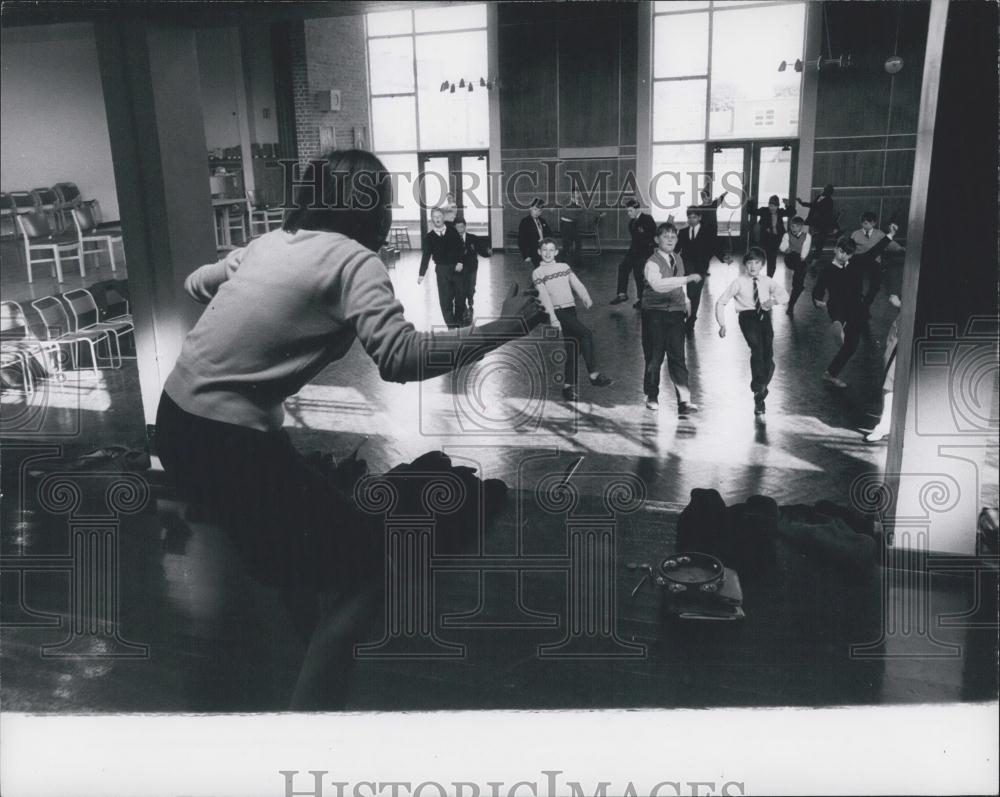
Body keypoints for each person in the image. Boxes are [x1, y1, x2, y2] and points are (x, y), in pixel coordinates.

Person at [155, 149, 544, 701]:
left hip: (175, 423)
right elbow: (401, 358)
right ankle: (312, 719)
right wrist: (505, 326)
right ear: (371, 211)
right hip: (231, 440)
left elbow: (197, 283)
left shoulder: (268, 243)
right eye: (385, 201)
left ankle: (318, 655)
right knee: (370, 568)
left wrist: (250, 291)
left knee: (300, 548)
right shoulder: (355, 263)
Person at [812, 223, 899, 388]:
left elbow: (874, 251)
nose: (844, 256)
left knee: (851, 346)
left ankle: (830, 374)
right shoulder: (827, 270)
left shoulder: (856, 263)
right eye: (842, 252)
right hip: (836, 306)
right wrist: (817, 300)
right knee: (838, 314)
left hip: (855, 308)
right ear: (836, 249)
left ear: (852, 254)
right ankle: (838, 326)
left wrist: (890, 235)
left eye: (848, 254)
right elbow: (818, 289)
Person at [532, 238, 613, 402]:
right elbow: (544, 296)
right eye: (544, 250)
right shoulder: (537, 273)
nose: (548, 253)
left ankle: (568, 387)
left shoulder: (564, 267)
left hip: (571, 309)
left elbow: (576, 283)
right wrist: (553, 318)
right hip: (558, 311)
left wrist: (585, 296)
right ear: (539, 252)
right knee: (586, 334)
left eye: (551, 250)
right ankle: (593, 374)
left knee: (573, 349)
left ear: (556, 252)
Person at [715, 247, 789, 416]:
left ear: (762, 264)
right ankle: (758, 390)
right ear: (745, 265)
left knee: (768, 356)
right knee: (756, 348)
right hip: (747, 317)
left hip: (764, 315)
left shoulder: (767, 281)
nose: (753, 266)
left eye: (756, 262)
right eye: (749, 263)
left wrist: (773, 301)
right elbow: (721, 302)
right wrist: (722, 324)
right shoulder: (739, 282)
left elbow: (785, 295)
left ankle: (761, 391)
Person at [640, 222, 703, 415]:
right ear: (656, 240)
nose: (670, 239)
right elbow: (659, 285)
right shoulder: (651, 262)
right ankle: (652, 396)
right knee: (654, 358)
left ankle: (684, 401)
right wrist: (687, 280)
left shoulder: (678, 259)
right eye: (665, 236)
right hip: (655, 313)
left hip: (675, 313)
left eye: (673, 236)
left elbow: (678, 283)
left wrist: (686, 299)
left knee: (678, 357)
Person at [418, 207, 466, 328]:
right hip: (441, 270)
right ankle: (451, 326)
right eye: (435, 217)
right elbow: (426, 256)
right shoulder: (429, 237)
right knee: (445, 300)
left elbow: (461, 247)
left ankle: (459, 322)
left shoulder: (452, 231)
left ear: (443, 218)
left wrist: (460, 261)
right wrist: (421, 274)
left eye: (439, 216)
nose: (437, 219)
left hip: (456, 267)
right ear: (432, 219)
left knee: (460, 297)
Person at [866, 294, 903, 442]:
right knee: (890, 381)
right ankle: (885, 425)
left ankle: (888, 425)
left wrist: (900, 304)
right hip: (901, 330)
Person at [850, 211, 905, 310]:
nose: (864, 225)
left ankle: (866, 303)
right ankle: (857, 300)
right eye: (863, 223)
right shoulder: (855, 234)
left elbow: (890, 243)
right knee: (856, 283)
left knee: (876, 285)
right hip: (859, 261)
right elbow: (850, 247)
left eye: (867, 223)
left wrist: (900, 248)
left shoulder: (879, 234)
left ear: (874, 223)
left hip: (874, 262)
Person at [676, 206, 716, 336]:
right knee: (692, 291)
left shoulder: (707, 231)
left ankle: (691, 318)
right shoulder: (682, 232)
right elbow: (677, 249)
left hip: (700, 267)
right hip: (687, 266)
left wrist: (723, 258)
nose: (691, 220)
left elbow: (714, 247)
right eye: (689, 217)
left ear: (699, 218)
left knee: (694, 293)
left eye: (694, 217)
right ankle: (690, 316)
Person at [611, 198, 657, 307]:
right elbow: (635, 240)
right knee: (623, 267)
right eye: (627, 211)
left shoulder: (647, 219)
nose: (628, 213)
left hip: (645, 252)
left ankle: (642, 300)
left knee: (638, 274)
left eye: (630, 211)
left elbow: (654, 235)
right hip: (634, 252)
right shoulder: (632, 223)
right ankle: (622, 294)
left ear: (637, 209)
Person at [454, 217, 491, 325]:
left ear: (465, 227)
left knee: (470, 286)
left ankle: (470, 297)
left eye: (462, 226)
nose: (460, 229)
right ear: (455, 228)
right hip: (459, 269)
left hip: (471, 267)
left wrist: (487, 253)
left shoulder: (473, 238)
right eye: (457, 227)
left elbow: (481, 249)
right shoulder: (452, 239)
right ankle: (463, 306)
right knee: (460, 288)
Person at [779, 215, 812, 315]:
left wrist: (802, 257)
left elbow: (806, 248)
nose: (794, 228)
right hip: (790, 258)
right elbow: (782, 246)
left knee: (800, 274)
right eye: (792, 226)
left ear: (801, 227)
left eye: (797, 226)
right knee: (800, 270)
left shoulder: (807, 236)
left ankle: (791, 304)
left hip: (801, 260)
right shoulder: (787, 235)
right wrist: (785, 249)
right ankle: (798, 285)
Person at [753, 195, 792, 278]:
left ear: (778, 206)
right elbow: (751, 211)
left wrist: (788, 204)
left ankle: (769, 277)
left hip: (777, 238)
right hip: (766, 238)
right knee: (760, 258)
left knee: (772, 260)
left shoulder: (780, 212)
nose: (772, 208)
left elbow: (792, 212)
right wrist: (750, 201)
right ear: (768, 205)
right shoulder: (764, 211)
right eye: (770, 206)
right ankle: (755, 276)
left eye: (775, 206)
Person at [796, 184, 837, 259]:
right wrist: (802, 203)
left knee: (819, 243)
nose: (822, 190)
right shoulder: (819, 197)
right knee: (815, 241)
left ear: (828, 192)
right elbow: (813, 206)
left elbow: (816, 207)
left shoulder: (829, 201)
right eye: (824, 188)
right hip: (815, 223)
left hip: (823, 225)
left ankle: (815, 259)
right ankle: (812, 257)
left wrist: (803, 204)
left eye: (825, 189)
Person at [518, 198, 551, 268]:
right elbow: (521, 240)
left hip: (544, 251)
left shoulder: (543, 221)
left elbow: (550, 235)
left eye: (539, 211)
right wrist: (526, 255)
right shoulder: (525, 222)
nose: (537, 213)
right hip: (533, 253)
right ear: (530, 208)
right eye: (535, 209)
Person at [559, 189, 583, 268]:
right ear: (571, 194)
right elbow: (569, 214)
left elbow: (583, 211)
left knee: (578, 243)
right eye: (575, 193)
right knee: (566, 245)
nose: (576, 195)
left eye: (578, 193)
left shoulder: (579, 202)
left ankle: (577, 261)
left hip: (573, 224)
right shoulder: (566, 201)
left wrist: (598, 214)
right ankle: (562, 262)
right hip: (566, 224)